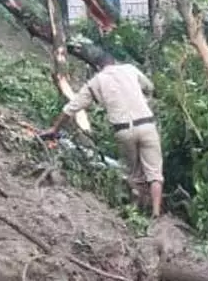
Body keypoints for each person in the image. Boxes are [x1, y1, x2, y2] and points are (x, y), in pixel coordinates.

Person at [40, 50, 164, 216]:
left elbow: (71, 108)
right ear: (114, 62)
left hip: (124, 131)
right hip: (147, 125)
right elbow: (149, 87)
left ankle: (138, 212)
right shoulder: (130, 69)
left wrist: (54, 129)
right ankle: (156, 213)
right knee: (154, 173)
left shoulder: (96, 81)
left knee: (135, 174)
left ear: (98, 67)